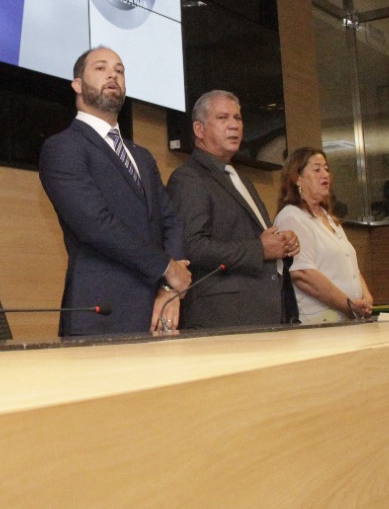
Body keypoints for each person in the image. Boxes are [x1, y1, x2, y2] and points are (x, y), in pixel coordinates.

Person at [38, 46, 190, 336]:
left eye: (119, 70)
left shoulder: (142, 156)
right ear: (77, 85)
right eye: (101, 68)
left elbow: (171, 221)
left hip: (158, 311)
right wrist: (167, 267)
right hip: (101, 313)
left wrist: (169, 289)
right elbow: (95, 225)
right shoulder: (63, 147)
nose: (113, 75)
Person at [166, 90, 300, 329]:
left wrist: (282, 244)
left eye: (237, 118)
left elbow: (256, 239)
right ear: (199, 129)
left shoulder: (241, 180)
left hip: (261, 313)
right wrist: (260, 249)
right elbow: (192, 247)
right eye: (223, 118)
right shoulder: (188, 178)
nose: (234, 125)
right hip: (222, 318)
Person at [273, 147, 373, 324]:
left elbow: (351, 267)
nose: (325, 174)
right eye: (317, 169)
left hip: (348, 319)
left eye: (326, 169)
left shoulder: (330, 219)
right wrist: (348, 304)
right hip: (317, 323)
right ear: (297, 178)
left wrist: (366, 299)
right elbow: (302, 273)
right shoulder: (292, 216)